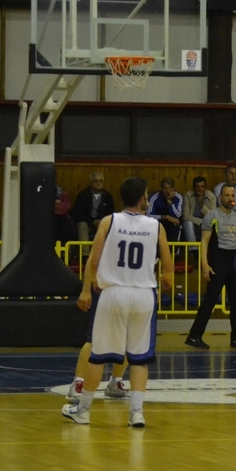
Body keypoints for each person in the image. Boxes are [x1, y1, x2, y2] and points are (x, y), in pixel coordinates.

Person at [62, 177, 174, 427]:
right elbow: (168, 267)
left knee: (98, 356)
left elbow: (93, 260)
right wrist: (165, 280)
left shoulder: (108, 221)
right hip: (143, 295)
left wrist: (88, 287)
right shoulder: (156, 226)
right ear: (143, 198)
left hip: (113, 293)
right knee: (139, 358)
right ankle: (137, 413)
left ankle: (83, 410)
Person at [184, 184, 236, 350]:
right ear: (220, 198)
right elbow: (204, 242)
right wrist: (205, 264)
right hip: (218, 261)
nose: (230, 199)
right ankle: (194, 336)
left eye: (232, 196)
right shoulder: (212, 215)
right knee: (210, 300)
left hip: (234, 262)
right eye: (227, 195)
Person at [65, 291, 130, 403]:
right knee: (95, 339)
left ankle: (115, 383)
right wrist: (86, 290)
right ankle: (78, 383)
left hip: (126, 293)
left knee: (128, 338)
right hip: (104, 291)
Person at [73, 172, 115, 242]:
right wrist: (92, 221)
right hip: (87, 223)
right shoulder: (83, 195)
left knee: (110, 225)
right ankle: (85, 249)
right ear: (90, 183)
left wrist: (102, 221)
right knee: (82, 225)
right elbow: (78, 214)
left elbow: (111, 214)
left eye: (100, 181)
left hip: (102, 223)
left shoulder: (107, 196)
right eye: (96, 181)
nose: (98, 183)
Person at [181, 176, 217, 245]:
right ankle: (194, 249)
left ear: (205, 188)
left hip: (207, 225)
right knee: (188, 223)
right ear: (193, 187)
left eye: (202, 187)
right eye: (197, 187)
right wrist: (201, 222)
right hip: (194, 225)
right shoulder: (187, 196)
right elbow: (185, 217)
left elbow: (213, 217)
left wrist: (202, 205)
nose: (200, 189)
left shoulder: (211, 196)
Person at [147, 178, 183, 242]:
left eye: (170, 188)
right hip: (158, 222)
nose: (168, 191)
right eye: (165, 188)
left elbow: (178, 215)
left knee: (175, 223)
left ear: (174, 188)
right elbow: (148, 215)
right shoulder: (154, 197)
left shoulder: (178, 197)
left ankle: (172, 248)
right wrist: (165, 217)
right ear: (161, 189)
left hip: (172, 223)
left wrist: (170, 202)